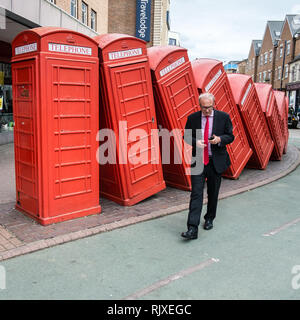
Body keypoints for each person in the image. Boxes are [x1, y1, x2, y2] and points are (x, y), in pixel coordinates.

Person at [181, 92, 234, 240]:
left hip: (215, 161)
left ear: (213, 104)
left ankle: (209, 218)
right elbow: (185, 135)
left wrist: (219, 139)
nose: (207, 111)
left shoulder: (223, 117)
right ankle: (192, 228)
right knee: (196, 193)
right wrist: (195, 142)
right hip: (198, 160)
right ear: (200, 106)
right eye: (204, 108)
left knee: (213, 192)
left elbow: (230, 136)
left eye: (209, 107)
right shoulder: (193, 118)